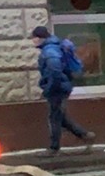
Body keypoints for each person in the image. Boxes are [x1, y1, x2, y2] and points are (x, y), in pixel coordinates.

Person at [32, 26, 94, 155]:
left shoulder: (49, 51)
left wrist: (49, 88)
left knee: (54, 118)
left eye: (34, 38)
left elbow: (55, 71)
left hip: (57, 89)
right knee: (60, 117)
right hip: (62, 86)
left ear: (39, 38)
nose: (33, 41)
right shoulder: (55, 46)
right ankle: (85, 135)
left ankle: (54, 148)